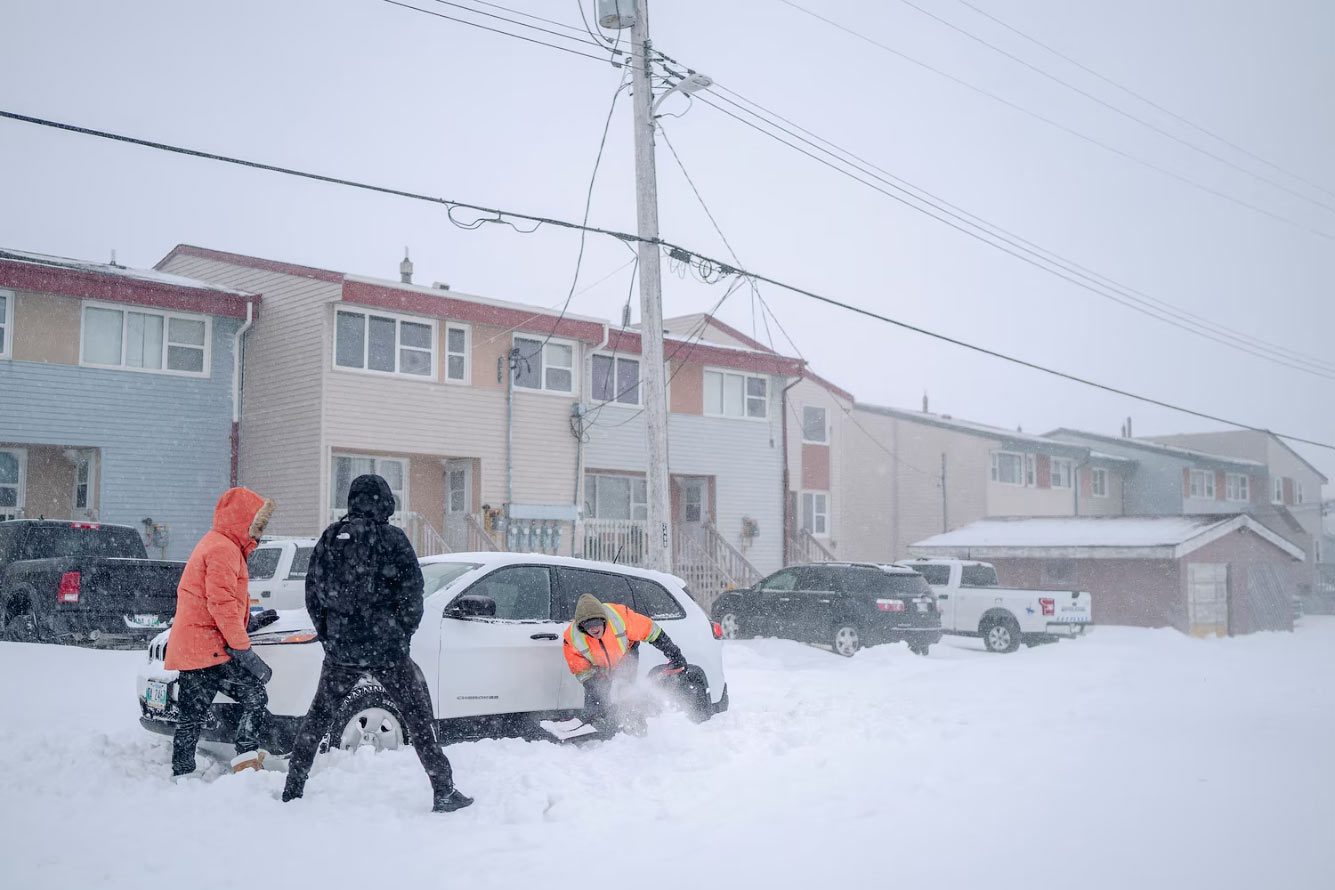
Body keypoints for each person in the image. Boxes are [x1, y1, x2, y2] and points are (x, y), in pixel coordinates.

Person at [281, 474, 472, 813]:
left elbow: (313, 592)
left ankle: (293, 788)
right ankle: (443, 789)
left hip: (341, 649)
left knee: (319, 716)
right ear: (385, 502)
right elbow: (413, 595)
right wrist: (401, 636)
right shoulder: (394, 539)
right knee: (417, 716)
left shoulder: (330, 538)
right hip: (388, 650)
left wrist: (329, 635)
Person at [164, 487, 276, 778]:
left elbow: (222, 600)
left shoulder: (218, 544)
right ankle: (244, 762)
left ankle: (183, 773)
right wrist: (243, 649)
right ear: (243, 521)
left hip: (199, 646)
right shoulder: (224, 549)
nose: (259, 534)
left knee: (191, 717)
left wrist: (249, 621)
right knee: (254, 696)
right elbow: (221, 603)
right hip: (206, 649)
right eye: (256, 526)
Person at [562, 593, 688, 735]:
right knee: (596, 702)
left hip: (626, 657)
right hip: (599, 668)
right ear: (581, 626)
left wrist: (675, 655)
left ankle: (636, 730)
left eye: (596, 622)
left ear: (604, 619)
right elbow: (579, 667)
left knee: (626, 693)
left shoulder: (620, 617)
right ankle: (602, 735)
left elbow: (653, 632)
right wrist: (593, 683)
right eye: (588, 624)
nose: (594, 628)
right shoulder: (572, 637)